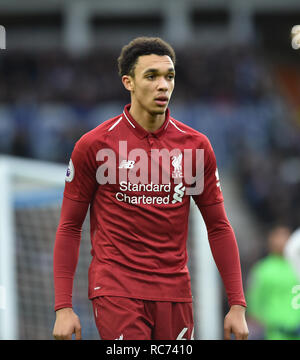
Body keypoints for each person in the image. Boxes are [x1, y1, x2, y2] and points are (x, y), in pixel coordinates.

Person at [52, 37, 248, 340]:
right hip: (117, 288)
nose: (163, 85)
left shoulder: (195, 147)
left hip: (176, 292)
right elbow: (69, 226)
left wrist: (237, 303)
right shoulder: (95, 145)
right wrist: (63, 306)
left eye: (169, 76)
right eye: (151, 76)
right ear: (128, 82)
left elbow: (219, 227)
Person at [246, 225, 300, 340]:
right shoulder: (263, 269)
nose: (282, 241)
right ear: (270, 240)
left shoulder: (296, 265)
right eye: (278, 236)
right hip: (274, 333)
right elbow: (254, 302)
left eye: (285, 236)